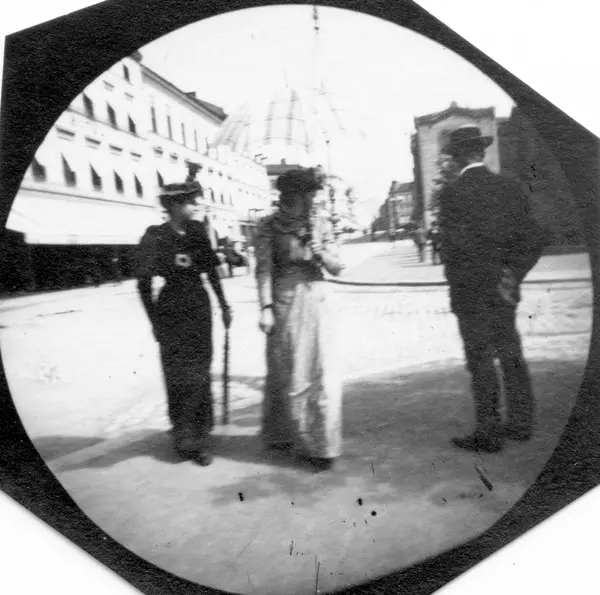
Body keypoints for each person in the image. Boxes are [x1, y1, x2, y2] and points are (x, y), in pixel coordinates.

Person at [438, 125, 547, 453]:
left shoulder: (452, 194)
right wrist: (512, 274)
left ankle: (488, 432)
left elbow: (453, 249)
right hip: (503, 289)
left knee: (481, 360)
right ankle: (521, 424)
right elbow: (535, 237)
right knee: (511, 353)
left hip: (470, 292)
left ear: (457, 157)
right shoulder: (509, 187)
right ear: (482, 152)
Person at [135, 179, 232, 465]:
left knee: (200, 371)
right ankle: (185, 435)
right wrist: (154, 321)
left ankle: (199, 433)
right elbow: (143, 283)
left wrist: (224, 305)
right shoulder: (155, 236)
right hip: (171, 310)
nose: (195, 206)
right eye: (190, 202)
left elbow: (211, 271)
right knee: (178, 374)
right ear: (175, 206)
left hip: (199, 307)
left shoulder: (197, 231)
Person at [254, 168, 344, 472]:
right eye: (308, 195)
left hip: (316, 300)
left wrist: (320, 253)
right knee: (289, 369)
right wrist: (265, 307)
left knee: (320, 370)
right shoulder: (268, 226)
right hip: (285, 301)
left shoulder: (320, 224)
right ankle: (284, 435)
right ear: (293, 196)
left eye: (313, 195)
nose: (312, 201)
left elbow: (338, 267)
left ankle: (319, 444)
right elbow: (263, 269)